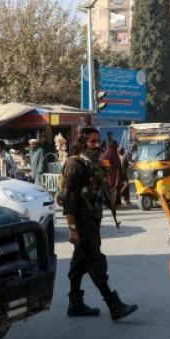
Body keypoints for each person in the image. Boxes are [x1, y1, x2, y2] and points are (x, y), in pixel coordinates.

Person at [60, 127, 138, 321]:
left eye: (97, 141)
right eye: (92, 142)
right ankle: (114, 304)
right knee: (96, 261)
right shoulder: (74, 164)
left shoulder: (92, 164)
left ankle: (75, 303)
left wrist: (110, 194)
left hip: (92, 220)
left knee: (79, 262)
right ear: (82, 142)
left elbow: (98, 190)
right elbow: (69, 201)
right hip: (82, 222)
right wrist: (72, 229)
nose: (97, 145)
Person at [101, 141, 127, 207]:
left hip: (107, 177)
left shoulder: (104, 156)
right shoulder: (115, 156)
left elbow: (104, 167)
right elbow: (119, 168)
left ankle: (107, 203)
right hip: (115, 176)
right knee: (115, 188)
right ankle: (116, 203)